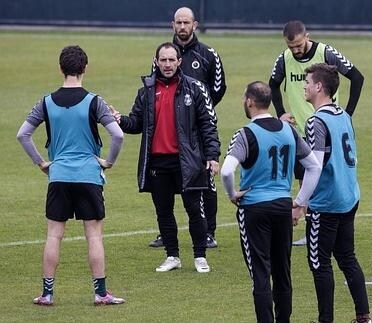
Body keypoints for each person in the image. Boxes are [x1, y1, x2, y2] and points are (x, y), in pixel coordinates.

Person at [16, 45, 125, 305]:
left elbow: (23, 134)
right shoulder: (94, 101)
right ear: (84, 68)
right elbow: (118, 134)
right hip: (88, 175)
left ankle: (47, 293)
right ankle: (100, 294)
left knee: (54, 235)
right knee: (94, 236)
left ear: (61, 68)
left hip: (59, 175)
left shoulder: (46, 102)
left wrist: (42, 163)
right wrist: (108, 162)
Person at [111, 42, 220, 273]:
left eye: (172, 60)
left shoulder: (195, 88)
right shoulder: (147, 91)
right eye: (164, 60)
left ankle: (200, 256)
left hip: (188, 161)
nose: (168, 64)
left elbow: (208, 125)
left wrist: (212, 156)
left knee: (194, 210)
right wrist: (119, 119)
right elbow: (136, 123)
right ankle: (172, 255)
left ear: (179, 62)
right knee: (164, 211)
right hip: (158, 163)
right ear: (156, 62)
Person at [220, 81, 321, 323]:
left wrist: (232, 194)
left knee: (260, 273)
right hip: (282, 206)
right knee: (282, 272)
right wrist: (299, 201)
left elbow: (226, 171)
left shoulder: (245, 134)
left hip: (254, 209)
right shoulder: (288, 130)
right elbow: (313, 167)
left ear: (250, 102)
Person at [269, 20, 364, 247]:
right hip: (300, 130)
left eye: (299, 45)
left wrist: (347, 113)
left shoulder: (326, 52)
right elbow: (273, 84)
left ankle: (323, 225)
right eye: (291, 46)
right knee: (305, 177)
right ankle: (313, 226)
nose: (296, 50)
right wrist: (281, 113)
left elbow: (357, 77)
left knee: (323, 174)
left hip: (327, 127)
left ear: (307, 36)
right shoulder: (284, 58)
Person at [292, 63, 371, 322]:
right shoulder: (343, 115)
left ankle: (325, 319)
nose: (304, 86)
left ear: (318, 87)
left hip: (326, 202)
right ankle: (363, 317)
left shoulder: (316, 121)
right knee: (347, 258)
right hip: (349, 196)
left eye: (307, 82)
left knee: (319, 263)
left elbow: (313, 167)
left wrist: (300, 202)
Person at [149, 6, 226, 249]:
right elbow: (154, 85)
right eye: (179, 23)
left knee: (205, 181)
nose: (182, 27)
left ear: (195, 24)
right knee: (167, 180)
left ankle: (209, 232)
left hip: (197, 129)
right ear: (172, 24)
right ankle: (166, 232)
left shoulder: (208, 54)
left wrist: (199, 111)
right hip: (171, 131)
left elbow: (219, 87)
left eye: (187, 23)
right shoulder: (164, 53)